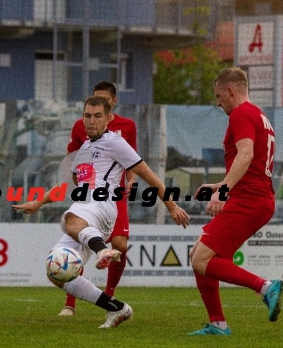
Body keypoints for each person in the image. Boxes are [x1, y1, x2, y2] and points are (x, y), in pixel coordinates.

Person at [14, 96, 190, 328]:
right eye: (87, 116)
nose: (91, 121)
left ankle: (102, 251)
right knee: (55, 271)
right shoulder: (86, 147)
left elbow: (148, 174)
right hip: (87, 208)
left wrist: (172, 205)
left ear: (108, 118)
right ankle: (117, 308)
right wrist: (39, 203)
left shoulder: (114, 142)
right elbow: (68, 181)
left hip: (103, 205)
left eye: (97, 116)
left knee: (70, 219)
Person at [188, 67, 283, 335]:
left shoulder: (241, 113)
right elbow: (251, 163)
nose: (218, 103)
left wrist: (223, 191)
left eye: (219, 96)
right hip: (255, 198)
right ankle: (218, 323)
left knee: (200, 259)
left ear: (231, 91)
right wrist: (219, 185)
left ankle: (265, 287)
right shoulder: (259, 114)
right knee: (199, 254)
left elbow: (245, 154)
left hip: (249, 200)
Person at [59, 81, 137, 316]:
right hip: (89, 193)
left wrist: (131, 179)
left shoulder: (126, 128)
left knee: (120, 245)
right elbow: (73, 157)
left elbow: (132, 158)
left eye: (99, 110)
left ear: (112, 105)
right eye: (89, 113)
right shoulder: (81, 127)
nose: (92, 119)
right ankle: (70, 302)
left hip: (115, 194)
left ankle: (110, 293)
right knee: (74, 244)